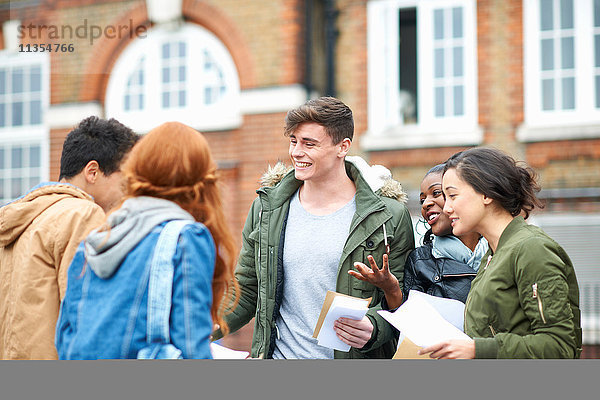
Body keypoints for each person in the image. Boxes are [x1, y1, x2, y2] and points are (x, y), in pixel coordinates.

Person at [213, 96, 415, 359]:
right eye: (293, 141)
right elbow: (247, 288)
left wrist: (375, 327)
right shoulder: (266, 209)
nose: (296, 152)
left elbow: (404, 296)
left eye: (309, 144)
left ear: (343, 147)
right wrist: (207, 325)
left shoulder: (389, 216)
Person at [55, 122, 238, 359]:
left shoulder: (95, 240)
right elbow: (192, 347)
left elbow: (65, 338)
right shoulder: (186, 238)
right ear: (200, 179)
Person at [419, 147, 582, 359]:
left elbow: (560, 346)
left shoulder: (531, 248)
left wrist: (478, 350)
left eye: (452, 195)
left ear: (486, 193)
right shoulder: (492, 254)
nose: (446, 208)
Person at [0, 116, 138, 360]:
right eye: (125, 180)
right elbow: (88, 323)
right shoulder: (83, 214)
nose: (129, 192)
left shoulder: (20, 220)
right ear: (92, 172)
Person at [349, 164, 489, 311]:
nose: (426, 204)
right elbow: (405, 323)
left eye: (436, 193)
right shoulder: (420, 261)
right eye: (422, 200)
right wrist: (391, 289)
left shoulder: (499, 248)